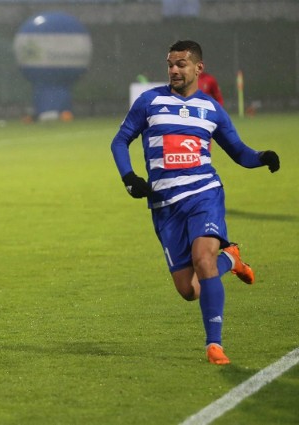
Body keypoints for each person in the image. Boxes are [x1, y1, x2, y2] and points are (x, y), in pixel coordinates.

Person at [110, 40, 280, 365]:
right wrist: (129, 177)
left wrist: (262, 157)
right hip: (164, 206)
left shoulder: (211, 109)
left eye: (181, 64)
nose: (174, 70)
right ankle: (231, 260)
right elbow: (120, 140)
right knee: (189, 290)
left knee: (204, 259)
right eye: (170, 64)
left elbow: (239, 152)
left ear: (198, 68)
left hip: (204, 194)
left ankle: (213, 345)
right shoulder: (149, 102)